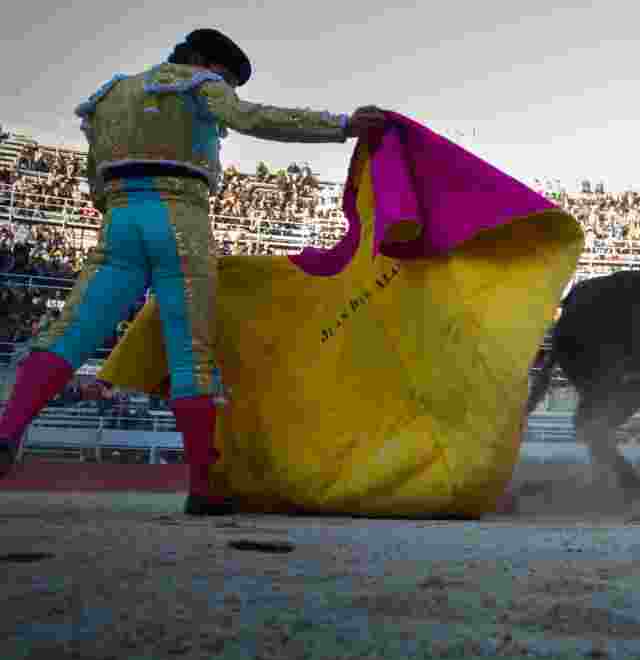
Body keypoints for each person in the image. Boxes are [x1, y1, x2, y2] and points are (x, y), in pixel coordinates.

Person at [0, 28, 390, 515]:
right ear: (208, 63)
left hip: (120, 219)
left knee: (70, 332)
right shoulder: (199, 84)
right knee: (191, 354)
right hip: (180, 217)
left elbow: (94, 176)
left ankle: (7, 431)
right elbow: (252, 117)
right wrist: (342, 125)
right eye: (227, 78)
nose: (226, 87)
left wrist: (124, 211)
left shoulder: (108, 96)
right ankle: (204, 486)